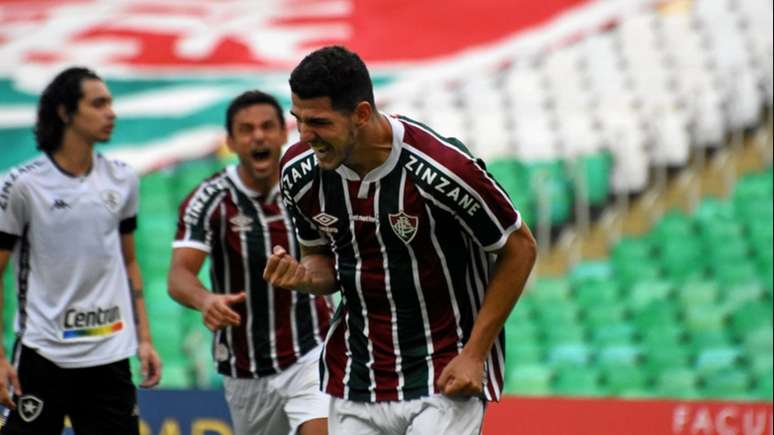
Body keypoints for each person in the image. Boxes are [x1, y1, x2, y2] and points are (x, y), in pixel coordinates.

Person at [263, 45, 538, 435]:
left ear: (360, 114)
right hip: (357, 377)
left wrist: (475, 354)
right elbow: (321, 261)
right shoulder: (298, 173)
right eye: (299, 120)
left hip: (444, 372)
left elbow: (519, 246)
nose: (306, 135)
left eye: (319, 123)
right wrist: (305, 276)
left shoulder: (442, 168)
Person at [0, 66, 161, 434]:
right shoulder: (22, 185)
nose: (111, 112)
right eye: (98, 103)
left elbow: (130, 262)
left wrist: (145, 340)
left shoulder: (123, 179)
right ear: (65, 112)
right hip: (44, 354)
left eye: (111, 103)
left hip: (110, 355)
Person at [167, 90, 332, 435]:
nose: (258, 136)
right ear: (231, 141)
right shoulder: (210, 198)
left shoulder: (312, 185)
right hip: (245, 366)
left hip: (311, 349)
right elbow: (179, 274)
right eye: (246, 129)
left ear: (283, 133)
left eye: (267, 127)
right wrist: (205, 300)